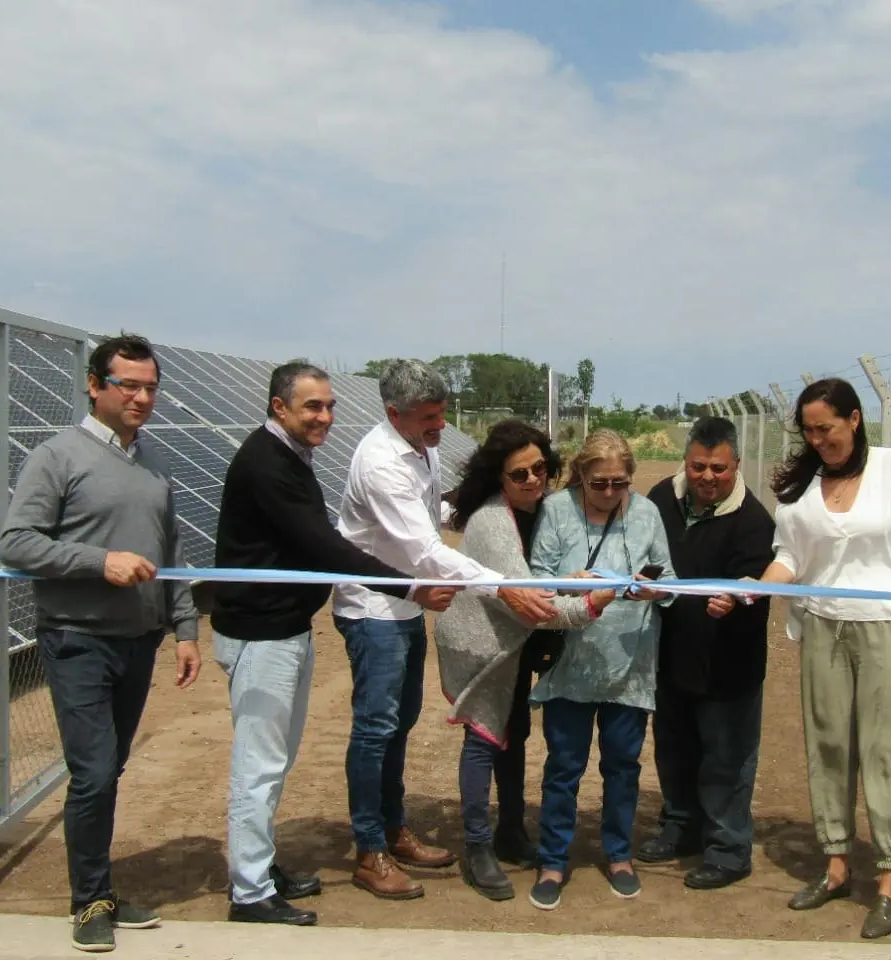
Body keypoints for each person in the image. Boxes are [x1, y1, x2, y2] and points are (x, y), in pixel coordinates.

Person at [210, 361, 458, 926]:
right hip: (260, 633)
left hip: (283, 629)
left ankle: (261, 868)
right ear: (279, 408)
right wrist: (411, 586)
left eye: (329, 405)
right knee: (261, 766)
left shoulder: (289, 457)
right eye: (311, 407)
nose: (324, 416)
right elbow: (326, 546)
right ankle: (250, 893)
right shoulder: (266, 464)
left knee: (277, 760)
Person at [0, 333, 202, 954]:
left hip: (138, 641)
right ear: (95, 385)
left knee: (108, 769)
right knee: (92, 773)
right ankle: (88, 901)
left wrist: (185, 628)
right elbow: (16, 542)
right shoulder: (58, 456)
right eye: (128, 385)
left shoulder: (154, 461)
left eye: (150, 387)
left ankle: (103, 890)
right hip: (78, 639)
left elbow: (171, 554)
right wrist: (98, 561)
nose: (141, 397)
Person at [332, 360, 557, 900]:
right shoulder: (381, 464)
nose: (441, 424)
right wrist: (502, 585)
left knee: (399, 724)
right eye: (430, 416)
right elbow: (426, 551)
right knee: (375, 728)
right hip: (373, 611)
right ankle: (370, 849)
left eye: (442, 412)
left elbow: (433, 518)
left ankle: (392, 828)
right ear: (395, 414)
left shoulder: (420, 446)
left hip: (408, 605)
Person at [747, 377, 891, 940]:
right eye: (809, 431)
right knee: (829, 746)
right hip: (823, 627)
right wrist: (758, 587)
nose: (818, 440)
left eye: (827, 428)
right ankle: (836, 862)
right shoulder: (801, 485)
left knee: (886, 751)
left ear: (855, 419)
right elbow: (790, 554)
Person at [434, 420, 618, 901]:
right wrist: (595, 600)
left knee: (512, 736)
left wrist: (569, 578)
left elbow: (541, 580)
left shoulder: (536, 512)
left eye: (540, 468)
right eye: (520, 474)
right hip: (480, 647)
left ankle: (510, 832)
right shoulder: (493, 523)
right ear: (500, 478)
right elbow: (536, 607)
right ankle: (477, 849)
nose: (534, 480)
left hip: (509, 644)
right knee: (484, 738)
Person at [525, 429, 675, 911]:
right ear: (580, 477)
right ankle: (552, 860)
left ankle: (619, 856)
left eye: (619, 483)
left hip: (630, 663)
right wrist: (570, 582)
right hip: (571, 663)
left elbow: (670, 581)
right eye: (599, 483)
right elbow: (535, 579)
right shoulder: (555, 511)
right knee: (564, 767)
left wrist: (653, 590)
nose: (610, 492)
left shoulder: (647, 513)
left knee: (622, 767)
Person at [640, 416, 774, 890]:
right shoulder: (659, 500)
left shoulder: (755, 523)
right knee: (674, 749)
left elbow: (757, 593)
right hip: (671, 654)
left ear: (736, 464)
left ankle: (729, 848)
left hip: (728, 663)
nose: (708, 478)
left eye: (719, 468)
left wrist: (735, 601)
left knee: (726, 758)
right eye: (698, 467)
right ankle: (680, 828)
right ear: (686, 461)